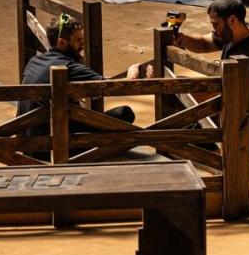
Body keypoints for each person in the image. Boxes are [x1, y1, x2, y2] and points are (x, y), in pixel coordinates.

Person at [17, 13, 151, 156]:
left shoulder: (34, 61)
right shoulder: (69, 66)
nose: (82, 45)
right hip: (53, 146)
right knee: (124, 113)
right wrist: (133, 73)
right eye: (78, 40)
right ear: (62, 43)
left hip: (28, 144)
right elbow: (113, 87)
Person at [173, 0, 249, 158]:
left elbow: (204, 94)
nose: (213, 29)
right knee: (181, 135)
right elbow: (205, 43)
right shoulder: (242, 31)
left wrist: (161, 84)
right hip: (234, 106)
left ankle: (224, 158)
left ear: (232, 20)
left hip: (248, 120)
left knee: (181, 141)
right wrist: (183, 40)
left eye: (215, 24)